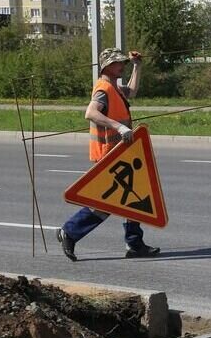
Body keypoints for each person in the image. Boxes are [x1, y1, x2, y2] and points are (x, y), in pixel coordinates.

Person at [56, 48, 161, 262]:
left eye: (123, 62)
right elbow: (90, 113)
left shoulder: (115, 88)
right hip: (107, 156)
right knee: (106, 204)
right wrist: (120, 128)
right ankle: (69, 231)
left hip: (120, 153)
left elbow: (131, 91)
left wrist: (137, 67)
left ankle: (135, 244)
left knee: (132, 197)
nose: (121, 65)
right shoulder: (103, 89)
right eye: (118, 63)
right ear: (106, 66)